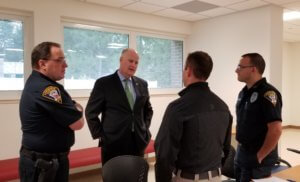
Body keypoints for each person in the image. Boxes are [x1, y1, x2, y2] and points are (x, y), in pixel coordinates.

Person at [155, 51, 232, 182]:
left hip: (188, 178)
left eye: (184, 69)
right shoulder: (223, 107)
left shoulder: (178, 108)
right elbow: (226, 149)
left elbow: (164, 154)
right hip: (216, 177)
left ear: (189, 71)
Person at [19, 42, 84, 182]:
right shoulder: (48, 90)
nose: (65, 65)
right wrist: (78, 107)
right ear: (42, 64)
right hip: (44, 165)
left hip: (43, 160)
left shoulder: (35, 82)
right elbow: (78, 124)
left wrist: (71, 105)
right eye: (59, 60)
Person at [85, 48, 153, 165]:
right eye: (130, 61)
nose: (133, 65)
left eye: (136, 62)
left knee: (136, 176)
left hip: (138, 141)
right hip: (113, 143)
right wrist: (101, 135)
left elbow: (148, 110)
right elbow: (90, 112)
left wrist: (144, 129)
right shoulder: (104, 84)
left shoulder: (142, 84)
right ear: (121, 60)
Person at [234, 53, 282, 181]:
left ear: (253, 69)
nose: (236, 70)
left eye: (240, 66)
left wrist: (259, 156)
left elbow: (276, 129)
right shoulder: (243, 93)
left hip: (258, 156)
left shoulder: (268, 93)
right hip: (242, 152)